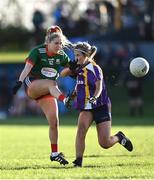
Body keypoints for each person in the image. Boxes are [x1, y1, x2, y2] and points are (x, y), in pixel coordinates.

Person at [61, 42, 133, 167]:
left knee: (105, 143)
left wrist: (94, 97)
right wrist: (71, 70)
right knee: (81, 131)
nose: (75, 58)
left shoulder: (95, 68)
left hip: (100, 105)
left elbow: (99, 87)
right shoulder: (78, 68)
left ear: (86, 55)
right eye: (75, 55)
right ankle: (78, 162)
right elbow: (64, 75)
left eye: (78, 55)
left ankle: (119, 137)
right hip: (86, 106)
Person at [12, 25, 72, 165]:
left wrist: (74, 69)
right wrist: (19, 82)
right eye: (56, 43)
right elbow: (27, 68)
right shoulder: (37, 51)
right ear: (48, 42)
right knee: (52, 84)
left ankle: (54, 153)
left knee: (54, 122)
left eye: (60, 43)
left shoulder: (62, 56)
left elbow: (70, 70)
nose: (59, 46)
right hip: (33, 85)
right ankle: (65, 100)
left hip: (47, 90)